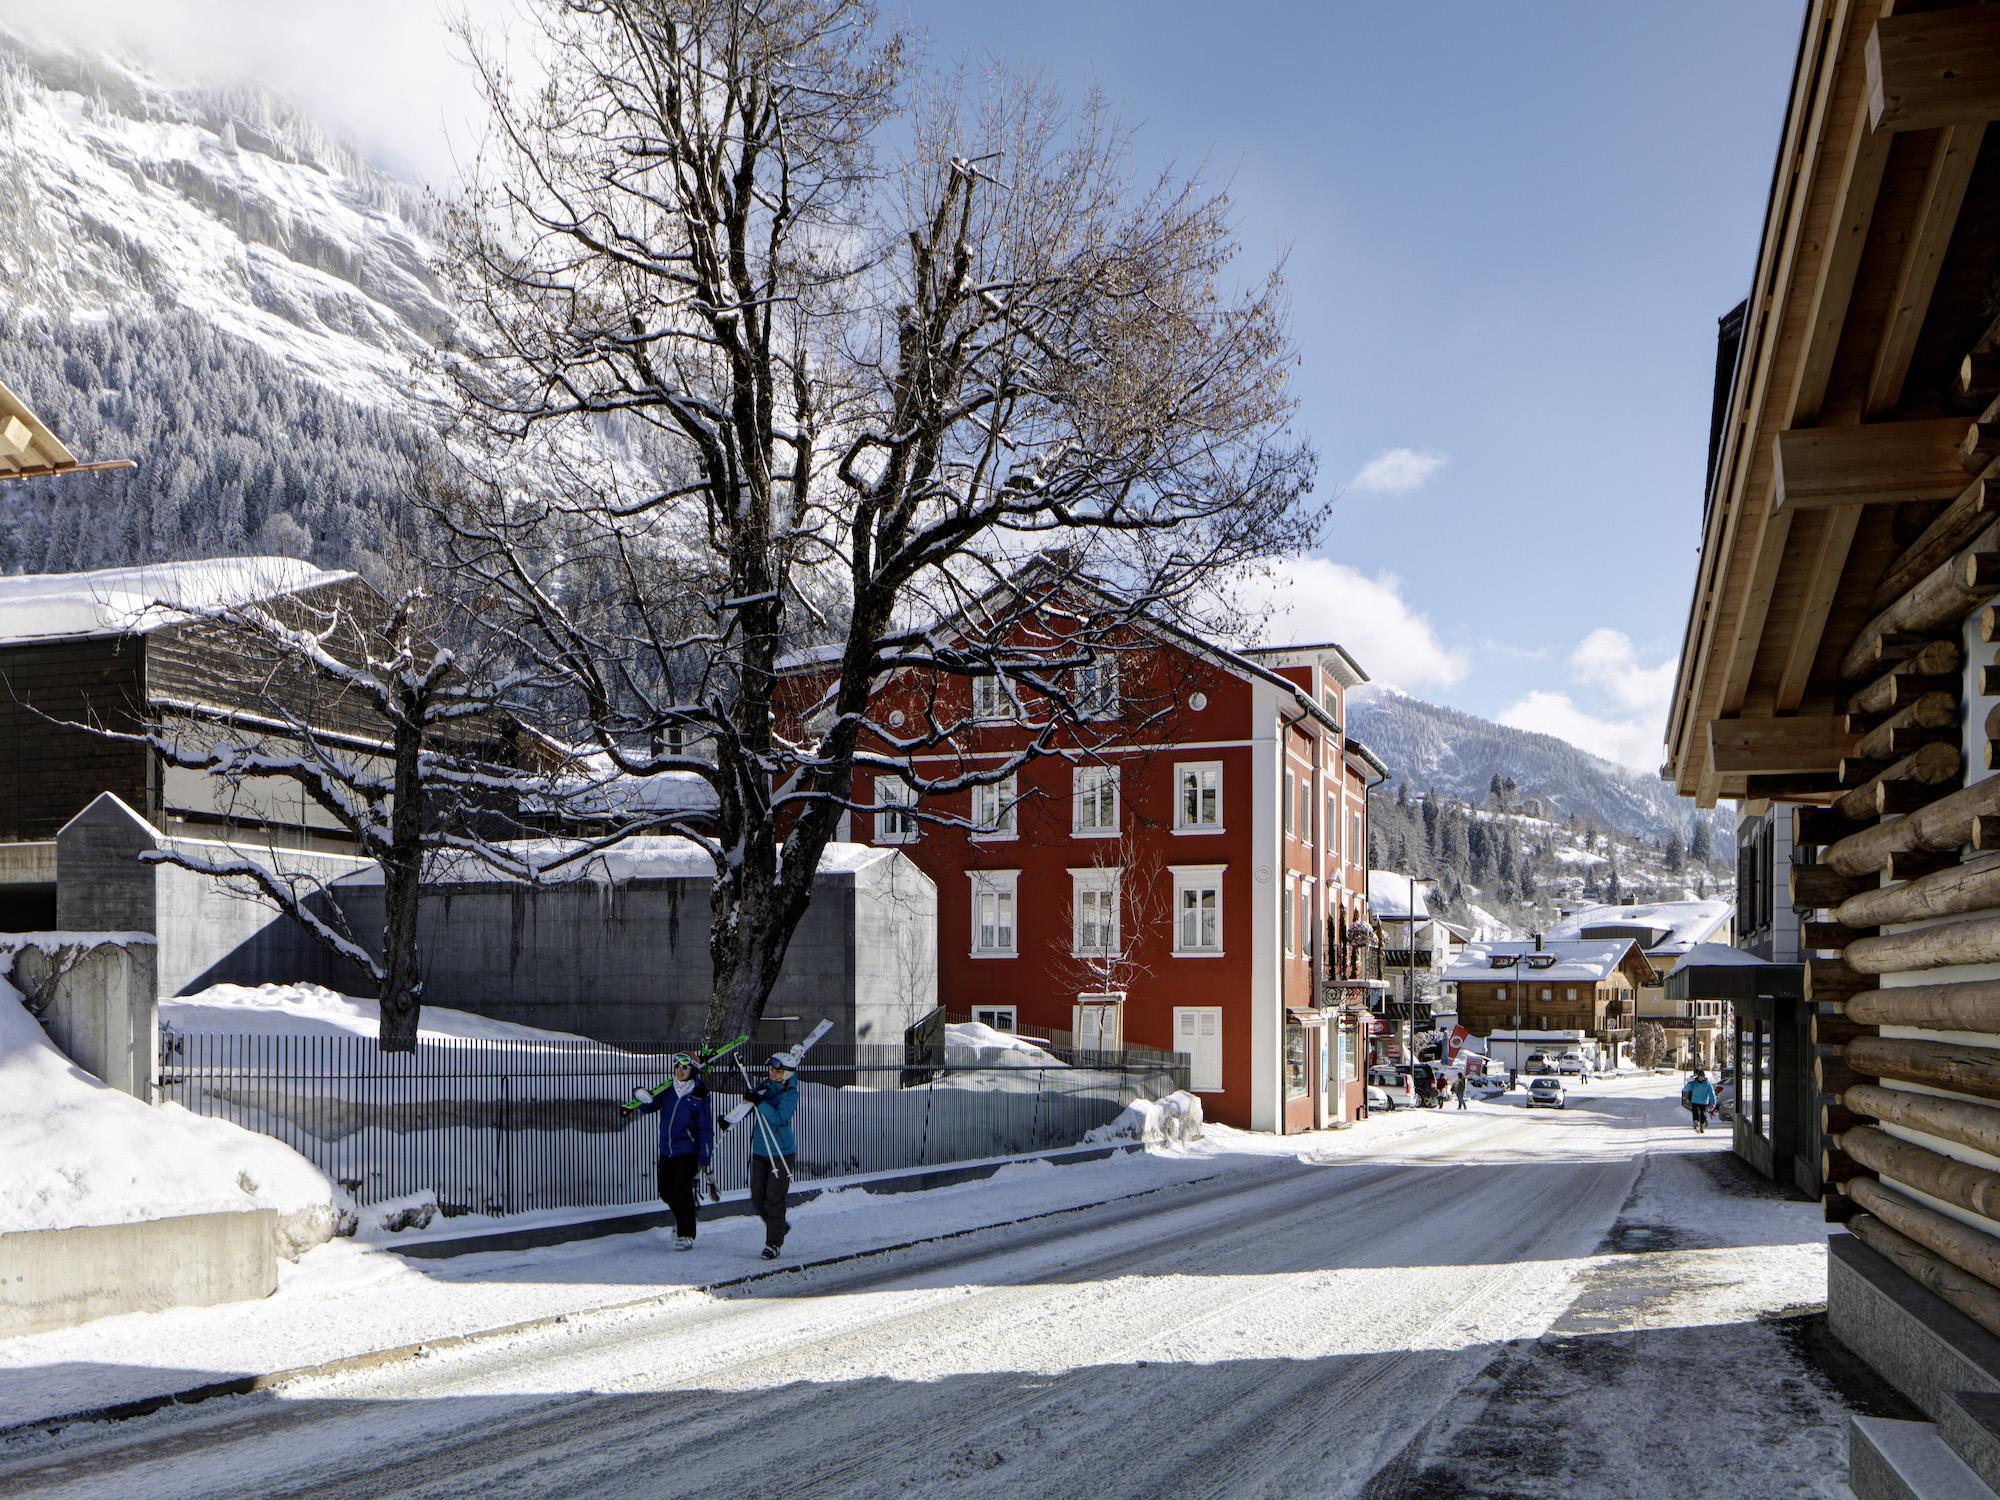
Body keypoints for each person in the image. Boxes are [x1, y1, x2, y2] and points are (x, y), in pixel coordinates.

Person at [635, 1053, 713, 1249]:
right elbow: (649, 1106)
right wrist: (639, 1093)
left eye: (684, 1067)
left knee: (681, 1193)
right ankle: (682, 1220)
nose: (679, 1070)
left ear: (693, 1070)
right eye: (677, 1065)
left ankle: (686, 1234)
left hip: (687, 1152)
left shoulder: (699, 1095)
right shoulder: (668, 1089)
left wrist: (704, 1156)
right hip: (667, 1151)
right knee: (666, 1192)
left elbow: (705, 1127)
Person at [741, 1051, 800, 1259]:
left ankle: (773, 1243)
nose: (773, 1073)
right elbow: (752, 1107)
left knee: (774, 1199)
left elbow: (779, 1119)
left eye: (778, 1070)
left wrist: (760, 1102)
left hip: (781, 1153)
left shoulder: (791, 1093)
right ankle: (779, 1226)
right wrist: (746, 1104)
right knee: (758, 1198)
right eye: (771, 1069)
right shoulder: (765, 1087)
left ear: (787, 1074)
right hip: (760, 1149)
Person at [1682, 1067, 1718, 1135]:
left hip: (1703, 1102)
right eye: (1700, 1076)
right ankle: (1696, 1124)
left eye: (1702, 1076)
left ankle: (1702, 1125)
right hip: (1695, 1101)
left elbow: (1711, 1093)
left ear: (1704, 1077)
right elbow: (1686, 1089)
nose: (1701, 1078)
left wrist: (1713, 1103)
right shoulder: (1694, 1083)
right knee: (1695, 1113)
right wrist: (1689, 1082)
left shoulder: (1707, 1084)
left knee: (1703, 1114)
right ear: (1698, 1076)